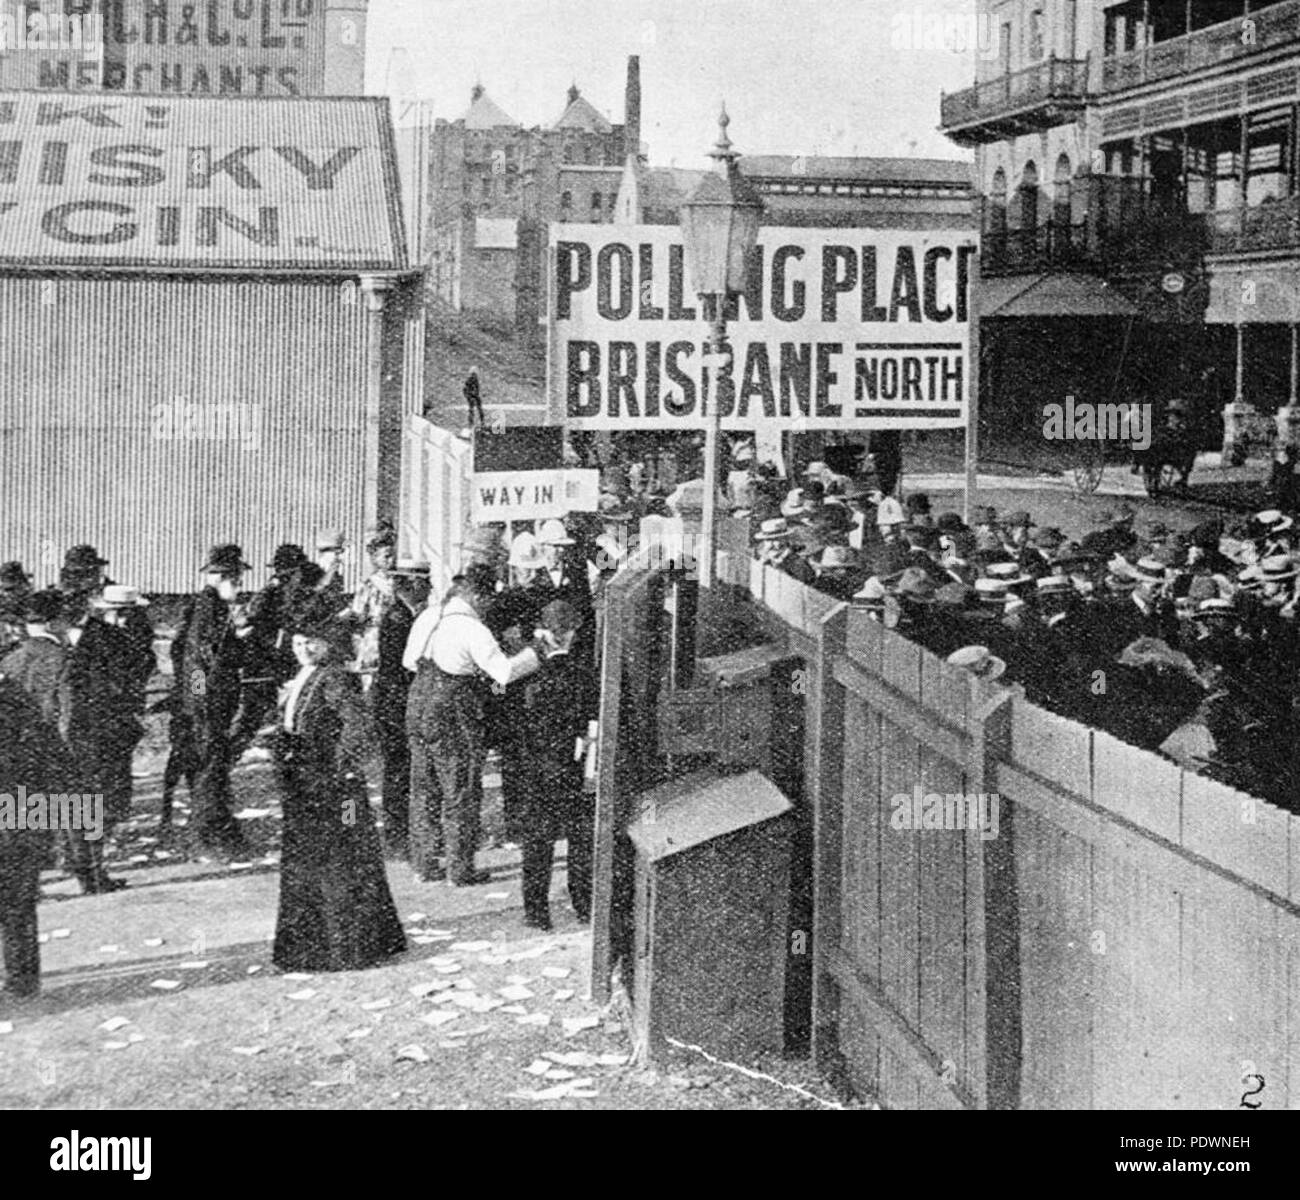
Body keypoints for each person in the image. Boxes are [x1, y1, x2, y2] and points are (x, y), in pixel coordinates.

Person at [271, 622, 406, 973]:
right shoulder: (305, 675)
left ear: (327, 645)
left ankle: (351, 944)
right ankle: (313, 945)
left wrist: (343, 766)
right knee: (315, 860)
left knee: (344, 853)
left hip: (335, 787)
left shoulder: (334, 678)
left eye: (311, 643)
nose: (303, 649)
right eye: (298, 643)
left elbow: (358, 725)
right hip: (305, 782)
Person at [403, 568, 546, 886]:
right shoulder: (472, 628)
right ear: (477, 596)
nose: (487, 608)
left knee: (423, 788)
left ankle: (424, 864)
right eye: (486, 601)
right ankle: (459, 868)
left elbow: (408, 661)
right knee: (460, 788)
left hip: (417, 702)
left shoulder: (428, 616)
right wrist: (535, 654)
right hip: (452, 709)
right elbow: (503, 672)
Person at [341, 527, 428, 857]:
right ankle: (386, 831)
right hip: (378, 670)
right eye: (382, 553)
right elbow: (360, 621)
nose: (388, 558)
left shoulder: (401, 591)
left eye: (391, 552)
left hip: (391, 675)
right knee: (387, 761)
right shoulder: (370, 590)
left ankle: (392, 830)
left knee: (391, 760)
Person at [518, 600, 599, 930]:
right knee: (580, 838)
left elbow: (510, 713)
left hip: (537, 766)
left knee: (538, 840)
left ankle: (536, 911)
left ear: (544, 634)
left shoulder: (528, 676)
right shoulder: (586, 676)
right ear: (573, 633)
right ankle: (582, 904)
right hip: (574, 764)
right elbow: (591, 725)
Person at [172, 544, 255, 859]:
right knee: (210, 773)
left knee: (212, 772)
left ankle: (217, 833)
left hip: (207, 705)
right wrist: (200, 702)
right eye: (235, 578)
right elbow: (197, 662)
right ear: (221, 577)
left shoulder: (208, 606)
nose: (239, 585)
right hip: (208, 708)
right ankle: (208, 838)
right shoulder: (210, 609)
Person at [0, 673, 74, 998]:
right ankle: (23, 980)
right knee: (19, 904)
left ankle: (23, 980)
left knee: (18, 902)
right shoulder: (19, 700)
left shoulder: (16, 698)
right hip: (18, 811)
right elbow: (54, 760)